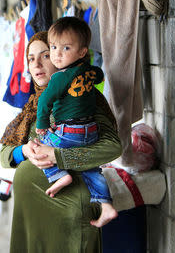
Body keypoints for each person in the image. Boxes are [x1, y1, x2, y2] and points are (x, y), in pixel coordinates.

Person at [0, 31, 122, 252]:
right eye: (31, 58)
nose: (36, 63)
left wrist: (59, 156)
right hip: (31, 210)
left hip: (71, 205)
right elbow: (5, 154)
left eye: (45, 55)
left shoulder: (84, 97)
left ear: (62, 58)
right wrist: (24, 151)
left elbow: (112, 147)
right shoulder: (34, 105)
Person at [34, 17, 117, 226]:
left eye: (66, 48)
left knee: (40, 147)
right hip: (90, 131)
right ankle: (106, 206)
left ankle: (59, 175)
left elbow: (44, 100)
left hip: (70, 131)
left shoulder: (61, 77)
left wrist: (42, 124)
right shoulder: (87, 70)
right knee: (91, 169)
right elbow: (98, 75)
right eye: (53, 47)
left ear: (82, 52)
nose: (57, 54)